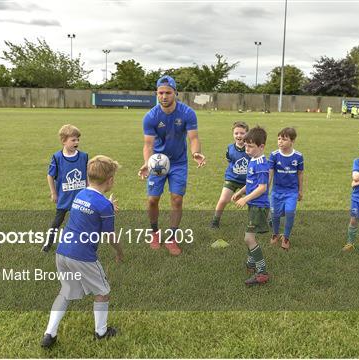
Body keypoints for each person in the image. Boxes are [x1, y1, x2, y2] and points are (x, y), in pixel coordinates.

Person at [41, 155, 122, 348]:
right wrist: (120, 252)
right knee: (103, 292)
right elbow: (110, 237)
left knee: (66, 292)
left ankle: (49, 333)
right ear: (110, 181)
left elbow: (92, 208)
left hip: (62, 251)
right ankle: (101, 332)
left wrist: (108, 206)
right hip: (83, 257)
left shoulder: (80, 194)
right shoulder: (104, 206)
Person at [138, 75, 206, 256]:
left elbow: (193, 138)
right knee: (153, 200)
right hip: (158, 162)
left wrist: (195, 153)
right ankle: (154, 233)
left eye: (168, 92)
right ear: (156, 94)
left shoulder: (187, 113)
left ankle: (172, 238)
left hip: (178, 162)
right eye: (160, 93)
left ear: (175, 93)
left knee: (177, 199)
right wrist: (147, 163)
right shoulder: (151, 117)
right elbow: (148, 145)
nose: (164, 96)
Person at [231, 126, 270, 286]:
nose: (247, 149)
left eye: (251, 146)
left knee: (249, 238)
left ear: (261, 147)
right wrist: (240, 192)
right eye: (245, 145)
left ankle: (262, 272)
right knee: (250, 237)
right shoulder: (253, 160)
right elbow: (251, 183)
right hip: (253, 204)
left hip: (258, 206)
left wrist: (245, 198)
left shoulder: (261, 163)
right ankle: (251, 263)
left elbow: (262, 187)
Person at [43, 124, 88, 252]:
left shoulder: (83, 156)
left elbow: (87, 175)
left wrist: (89, 190)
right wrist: (53, 193)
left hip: (80, 197)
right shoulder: (57, 158)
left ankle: (80, 245)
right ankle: (48, 243)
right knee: (57, 222)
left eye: (78, 139)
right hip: (64, 197)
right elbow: (50, 176)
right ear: (64, 141)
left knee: (81, 222)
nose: (77, 142)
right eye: (73, 140)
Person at [268, 128, 304, 251]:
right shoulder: (274, 155)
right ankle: (276, 233)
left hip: (291, 192)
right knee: (275, 215)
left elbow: (300, 174)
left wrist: (300, 190)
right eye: (279, 139)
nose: (280, 142)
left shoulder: (298, 156)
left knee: (289, 213)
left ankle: (286, 237)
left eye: (284, 139)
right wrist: (266, 188)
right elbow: (270, 173)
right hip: (276, 191)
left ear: (292, 141)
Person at [210, 121, 250, 229]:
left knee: (256, 201)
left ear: (247, 134)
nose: (239, 135)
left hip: (248, 181)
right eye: (236, 133)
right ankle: (215, 221)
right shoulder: (230, 148)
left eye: (242, 133)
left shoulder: (250, 148)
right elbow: (229, 160)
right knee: (223, 199)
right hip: (232, 178)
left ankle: (264, 221)